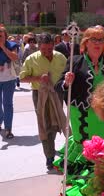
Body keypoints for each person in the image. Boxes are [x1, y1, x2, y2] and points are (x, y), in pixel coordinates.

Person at [53, 26, 104, 190]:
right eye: (93, 39)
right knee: (87, 159)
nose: (97, 43)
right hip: (83, 119)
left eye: (101, 39)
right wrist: (67, 82)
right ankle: (84, 189)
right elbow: (58, 87)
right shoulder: (75, 61)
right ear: (85, 43)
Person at [20, 33, 68, 170]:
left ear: (53, 45)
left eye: (49, 49)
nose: (47, 52)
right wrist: (37, 78)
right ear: (38, 47)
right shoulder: (31, 59)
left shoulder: (60, 57)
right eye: (43, 50)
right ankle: (49, 156)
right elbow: (22, 78)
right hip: (40, 95)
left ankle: (63, 152)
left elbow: (67, 73)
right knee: (44, 124)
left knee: (58, 122)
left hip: (58, 93)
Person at [0, 26, 20, 139]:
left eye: (0, 35)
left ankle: (8, 128)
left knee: (7, 104)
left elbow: (14, 57)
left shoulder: (12, 45)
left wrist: (3, 46)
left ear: (5, 35)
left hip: (9, 79)